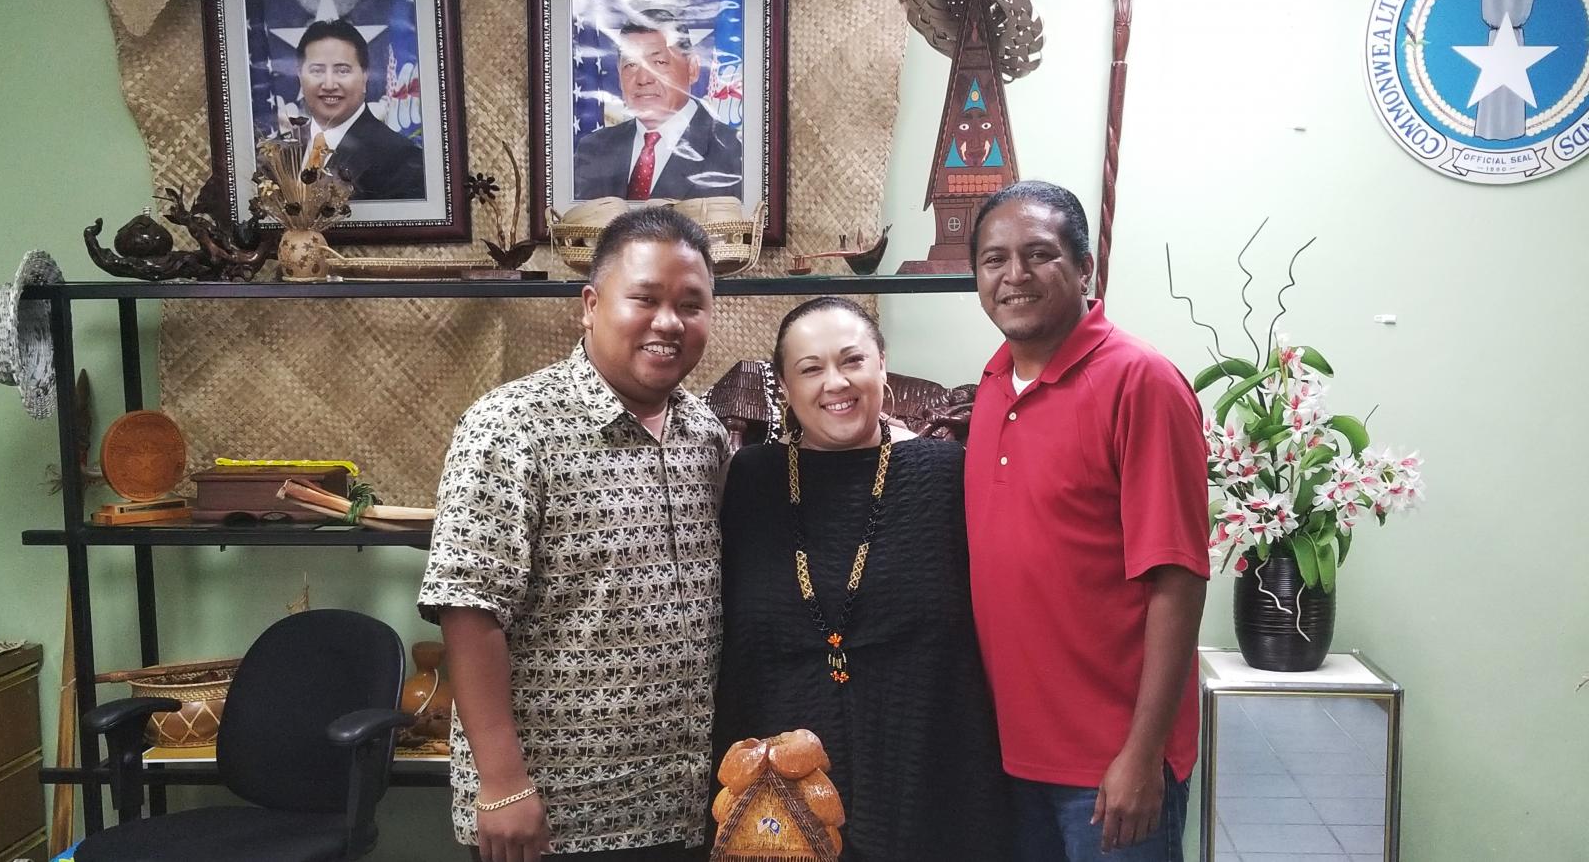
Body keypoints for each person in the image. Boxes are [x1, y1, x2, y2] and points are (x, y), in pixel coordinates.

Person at [417, 206, 728, 862]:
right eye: (644, 298)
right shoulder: (510, 427)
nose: (669, 322)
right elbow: (469, 610)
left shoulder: (706, 432)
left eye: (691, 305)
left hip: (681, 804)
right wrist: (501, 783)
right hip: (552, 816)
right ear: (590, 305)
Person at [964, 181, 1209, 862]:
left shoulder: (1141, 383)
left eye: (1039, 254)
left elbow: (1180, 578)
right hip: (1016, 759)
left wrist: (1142, 754)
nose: (1014, 275)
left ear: (1083, 268)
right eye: (993, 259)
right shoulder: (990, 386)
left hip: (1111, 771)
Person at [715, 296, 1010, 861]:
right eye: (810, 368)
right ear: (782, 384)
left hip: (925, 767)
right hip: (778, 791)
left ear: (881, 364)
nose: (835, 383)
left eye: (852, 361)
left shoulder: (945, 473)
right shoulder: (752, 480)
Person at [573, 11, 743, 202]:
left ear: (693, 68)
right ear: (619, 73)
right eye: (631, 64)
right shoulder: (593, 150)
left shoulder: (735, 154)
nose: (644, 79)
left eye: (659, 62)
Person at [295, 19, 426, 201]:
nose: (329, 84)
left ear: (365, 77)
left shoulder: (401, 159)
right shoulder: (278, 154)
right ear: (300, 76)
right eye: (317, 71)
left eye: (342, 71)